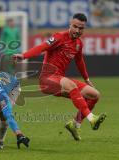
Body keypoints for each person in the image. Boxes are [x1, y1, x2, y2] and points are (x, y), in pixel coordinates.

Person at [13, 13, 106, 141]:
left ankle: (75, 124)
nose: (78, 30)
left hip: (60, 79)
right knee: (71, 85)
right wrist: (24, 56)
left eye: (81, 28)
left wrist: (87, 79)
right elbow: (42, 47)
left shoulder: (79, 43)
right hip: (47, 79)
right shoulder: (59, 37)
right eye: (75, 27)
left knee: (94, 95)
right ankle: (91, 118)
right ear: (70, 25)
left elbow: (80, 61)